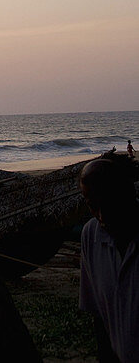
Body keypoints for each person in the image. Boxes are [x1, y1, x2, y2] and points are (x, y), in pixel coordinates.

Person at [79, 155, 139, 363]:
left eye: (110, 203)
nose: (102, 217)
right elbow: (99, 317)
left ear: (129, 193)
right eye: (92, 206)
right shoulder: (91, 236)